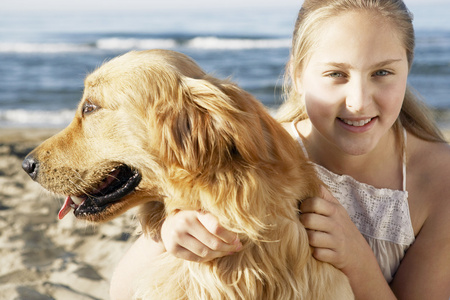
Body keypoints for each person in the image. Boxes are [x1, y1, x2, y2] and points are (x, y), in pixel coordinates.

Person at [110, 0, 450, 299]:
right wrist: (165, 235)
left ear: (408, 69)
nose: (359, 102)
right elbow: (121, 291)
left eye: (383, 72)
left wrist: (358, 262)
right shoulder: (253, 158)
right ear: (298, 75)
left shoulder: (439, 179)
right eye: (336, 74)